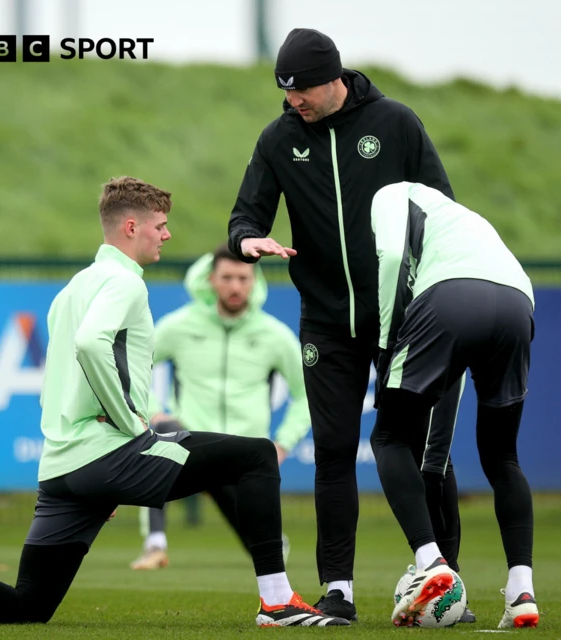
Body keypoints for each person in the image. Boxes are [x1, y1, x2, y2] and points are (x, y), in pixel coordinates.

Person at [0, 177, 349, 628]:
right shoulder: (125, 282)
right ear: (131, 227)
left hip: (62, 467)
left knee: (27, 605)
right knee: (256, 454)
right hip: (108, 451)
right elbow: (90, 344)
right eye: (160, 226)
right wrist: (130, 426)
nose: (166, 235)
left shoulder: (73, 288)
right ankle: (277, 603)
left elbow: (60, 380)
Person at [227, 27, 471, 621]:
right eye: (284, 92)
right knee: (333, 453)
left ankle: (448, 584)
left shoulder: (396, 123)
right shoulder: (278, 139)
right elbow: (245, 214)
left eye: (302, 90)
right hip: (326, 323)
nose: (293, 102)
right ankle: (340, 591)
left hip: (405, 317)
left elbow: (442, 208)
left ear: (333, 77)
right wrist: (247, 240)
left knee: (421, 453)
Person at [369, 182, 538, 629]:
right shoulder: (459, 214)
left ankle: (431, 562)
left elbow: (388, 259)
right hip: (519, 303)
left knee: (388, 437)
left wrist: (388, 344)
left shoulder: (388, 192)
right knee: (503, 457)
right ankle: (522, 590)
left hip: (450, 297)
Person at [131, 245, 310, 570]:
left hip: (246, 452)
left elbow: (306, 394)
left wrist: (283, 443)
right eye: (227, 277)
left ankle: (268, 545)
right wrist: (154, 411)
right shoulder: (179, 326)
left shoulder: (274, 335)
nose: (235, 286)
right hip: (192, 441)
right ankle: (155, 543)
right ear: (211, 280)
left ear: (254, 281)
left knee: (260, 547)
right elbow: (134, 368)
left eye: (243, 278)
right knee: (160, 438)